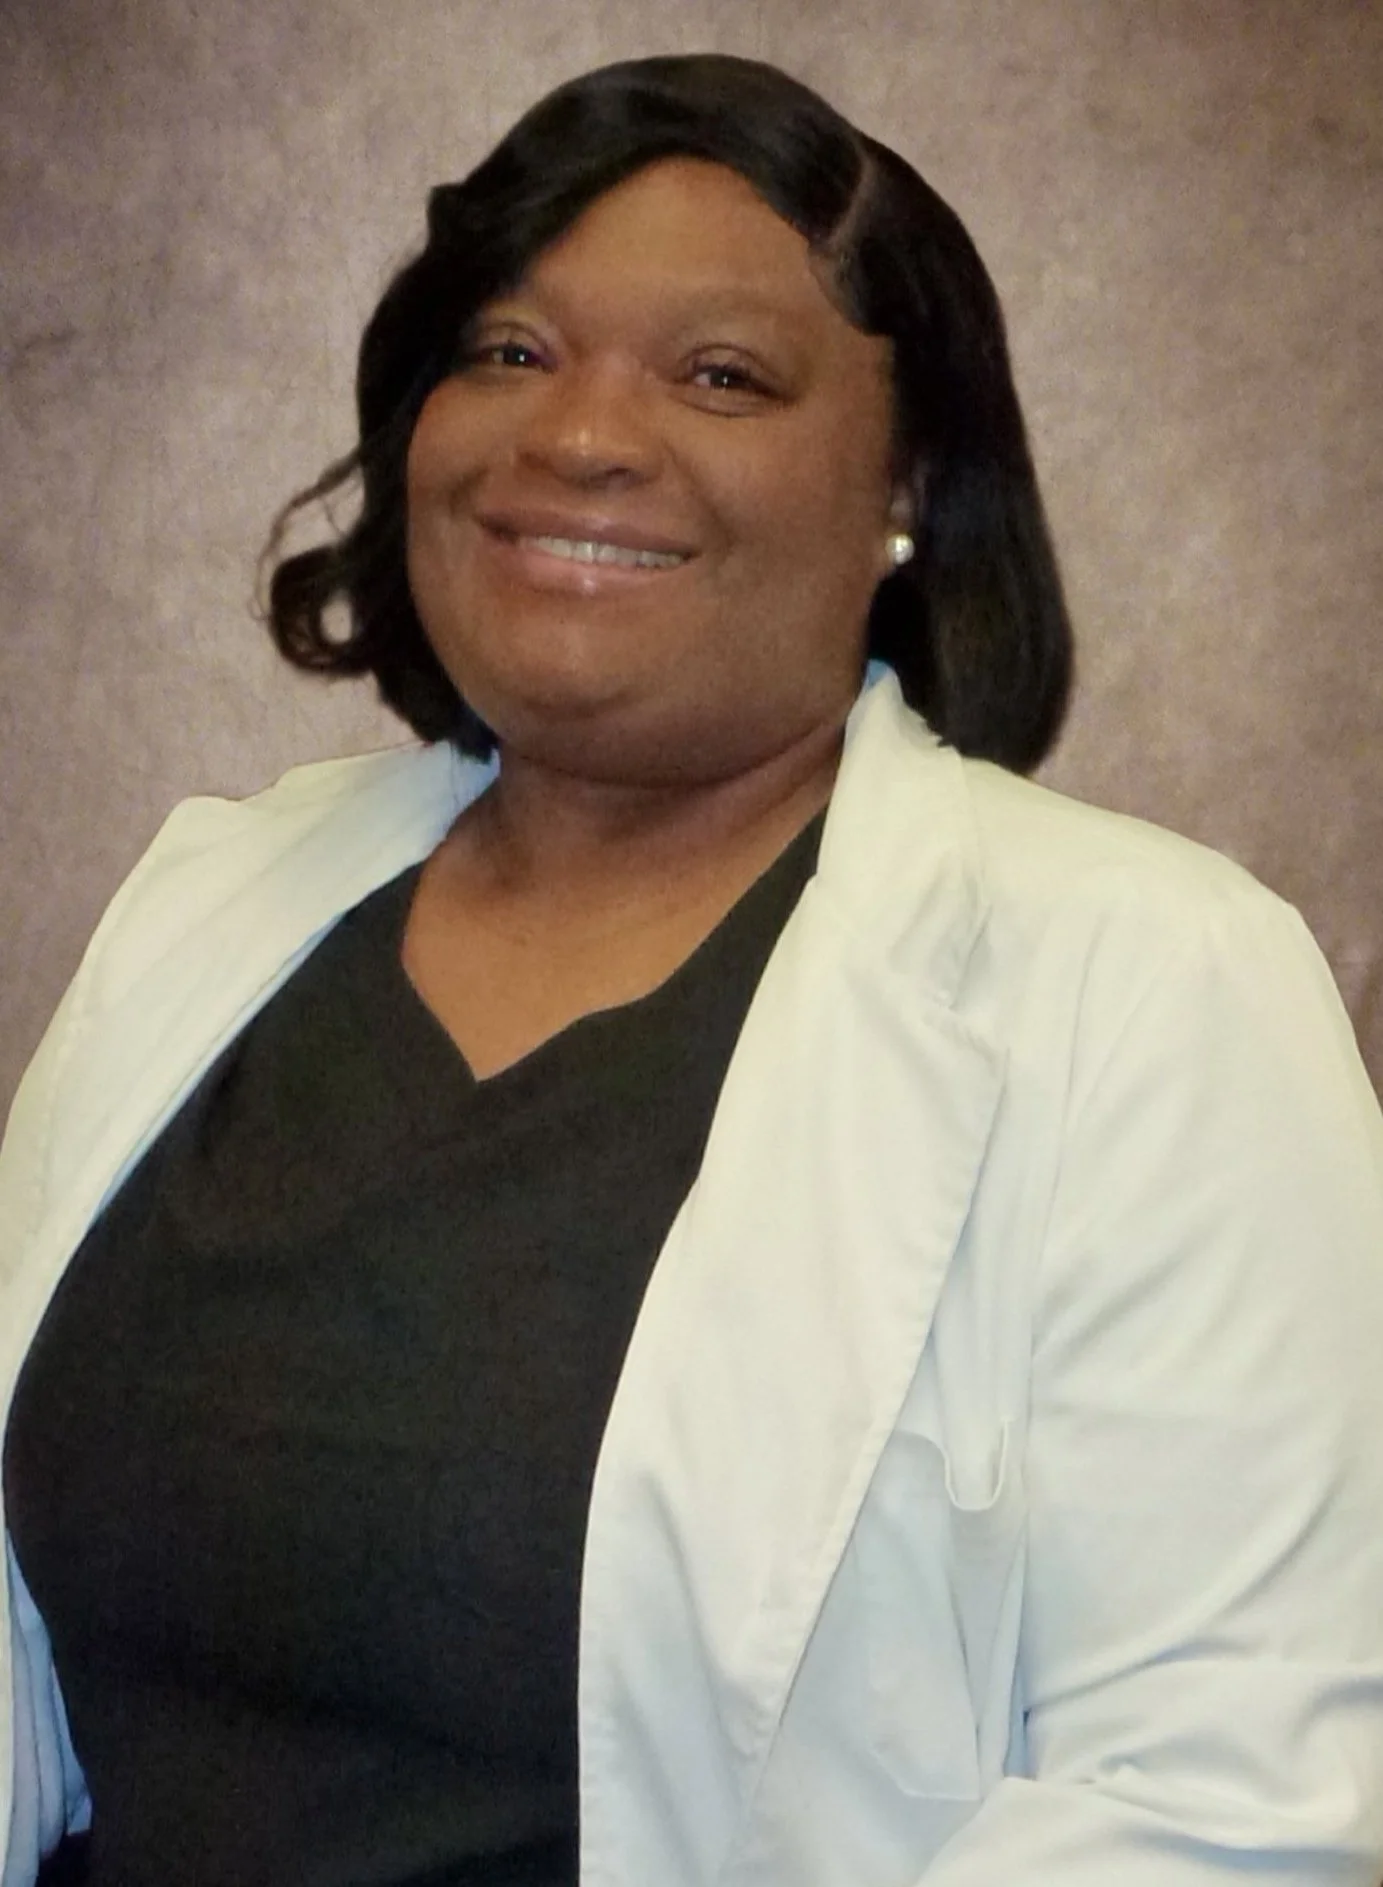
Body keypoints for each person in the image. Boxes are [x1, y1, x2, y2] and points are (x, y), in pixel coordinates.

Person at [1, 50, 1381, 1887]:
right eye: (506, 349)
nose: (575, 433)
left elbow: (1233, 1809)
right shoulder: (210, 906)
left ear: (908, 484)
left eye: (720, 374)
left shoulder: (1151, 984)